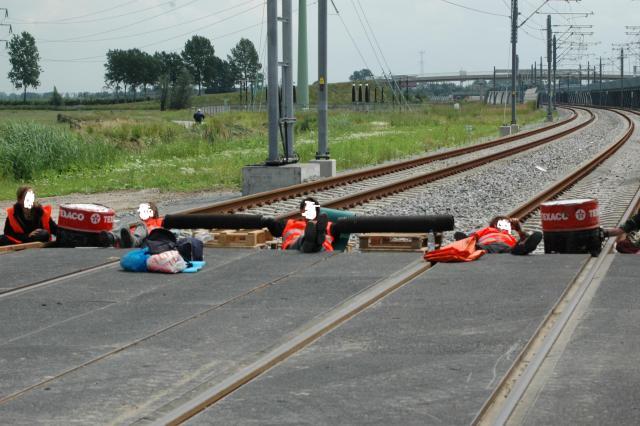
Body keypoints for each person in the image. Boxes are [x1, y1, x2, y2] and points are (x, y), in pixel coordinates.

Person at [268, 197, 335, 253]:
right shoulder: (290, 223)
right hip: (294, 251)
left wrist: (344, 222)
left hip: (321, 253)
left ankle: (313, 240)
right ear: (301, 211)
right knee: (301, 241)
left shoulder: (327, 225)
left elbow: (342, 226)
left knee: (317, 246)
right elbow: (270, 224)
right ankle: (309, 240)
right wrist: (261, 221)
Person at [454, 215, 542, 255]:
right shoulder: (488, 230)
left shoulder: (509, 234)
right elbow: (473, 237)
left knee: (518, 245)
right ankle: (472, 247)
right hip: (487, 245)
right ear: (496, 224)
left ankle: (522, 248)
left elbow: (521, 237)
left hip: (507, 247)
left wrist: (519, 230)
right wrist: (467, 240)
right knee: (487, 247)